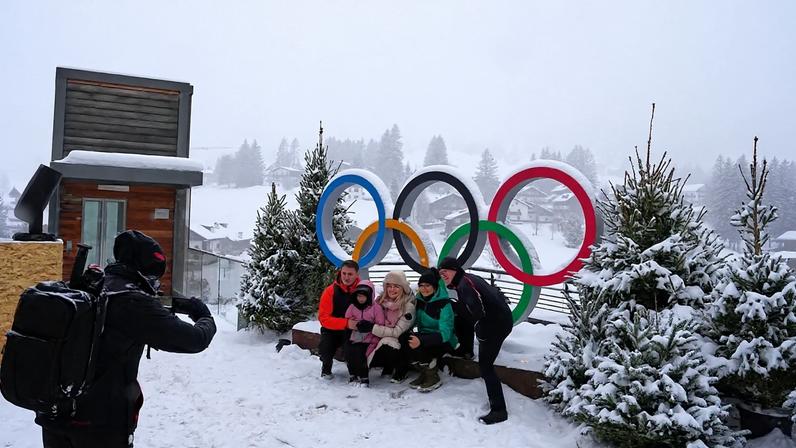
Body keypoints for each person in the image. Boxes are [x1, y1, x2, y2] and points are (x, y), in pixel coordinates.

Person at [37, 230, 216, 447]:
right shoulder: (132, 303)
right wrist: (204, 316)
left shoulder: (85, 288)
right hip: (101, 424)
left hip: (56, 415)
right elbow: (194, 339)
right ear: (146, 271)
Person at [438, 256, 513, 425]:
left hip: (495, 325)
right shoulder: (468, 279)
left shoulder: (465, 285)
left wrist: (454, 306)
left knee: (486, 367)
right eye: (440, 273)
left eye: (445, 271)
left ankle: (499, 410)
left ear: (455, 270)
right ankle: (466, 350)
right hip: (501, 321)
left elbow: (475, 313)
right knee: (485, 362)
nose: (443, 275)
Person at [406, 268, 457, 393]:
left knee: (420, 345)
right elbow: (414, 321)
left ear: (434, 287)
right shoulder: (420, 300)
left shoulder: (444, 304)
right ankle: (424, 372)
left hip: (445, 340)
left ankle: (433, 376)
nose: (424, 289)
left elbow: (446, 333)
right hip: (425, 335)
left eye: (427, 285)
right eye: (421, 286)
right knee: (405, 339)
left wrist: (422, 340)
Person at [363, 271, 416, 383]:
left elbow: (397, 332)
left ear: (403, 288)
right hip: (379, 338)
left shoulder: (408, 306)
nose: (392, 289)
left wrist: (372, 328)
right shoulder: (380, 302)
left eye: (396, 286)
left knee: (389, 341)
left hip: (399, 343)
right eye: (389, 286)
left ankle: (401, 368)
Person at [317, 259, 360, 379]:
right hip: (332, 329)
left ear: (357, 274)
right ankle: (326, 367)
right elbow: (324, 318)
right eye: (344, 273)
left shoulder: (363, 290)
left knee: (352, 348)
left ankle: (355, 372)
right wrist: (346, 323)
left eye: (350, 274)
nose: (346, 277)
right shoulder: (330, 291)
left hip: (354, 330)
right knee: (325, 347)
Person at [343, 281, 384, 387]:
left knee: (361, 353)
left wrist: (369, 326)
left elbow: (381, 324)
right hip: (355, 336)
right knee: (348, 350)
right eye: (359, 296)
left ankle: (364, 377)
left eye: (363, 296)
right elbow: (347, 319)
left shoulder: (376, 308)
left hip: (370, 338)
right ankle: (352, 374)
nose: (360, 299)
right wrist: (352, 324)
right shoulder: (352, 306)